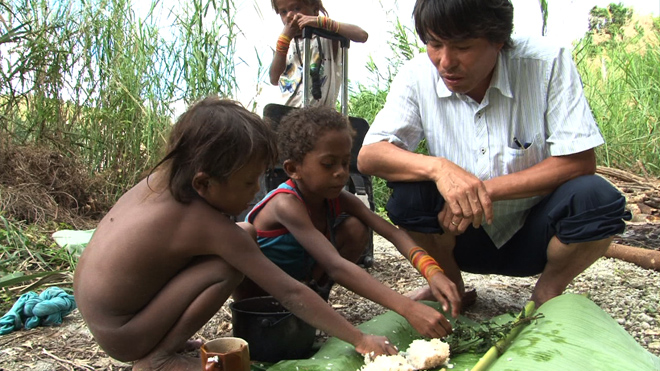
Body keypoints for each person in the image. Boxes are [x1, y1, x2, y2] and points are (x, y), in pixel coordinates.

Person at [73, 97, 400, 371]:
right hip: (125, 333)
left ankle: (164, 339)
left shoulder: (162, 181)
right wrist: (359, 338)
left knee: (243, 230)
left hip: (112, 317)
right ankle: (158, 358)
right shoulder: (201, 222)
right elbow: (290, 292)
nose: (255, 192)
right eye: (248, 183)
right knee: (231, 257)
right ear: (203, 182)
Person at [357, 0, 631, 308]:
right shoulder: (417, 75)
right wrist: (439, 168)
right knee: (408, 198)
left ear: (498, 40)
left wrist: (483, 191)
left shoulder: (547, 62)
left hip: (536, 234)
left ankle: (547, 293)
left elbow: (579, 162)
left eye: (462, 47)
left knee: (598, 201)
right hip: (460, 236)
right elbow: (370, 156)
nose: (445, 62)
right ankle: (449, 286)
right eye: (434, 44)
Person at [233, 106, 461, 339]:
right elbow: (335, 266)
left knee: (355, 228)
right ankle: (286, 313)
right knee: (243, 232)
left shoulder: (338, 198)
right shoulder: (286, 204)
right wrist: (407, 308)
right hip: (260, 294)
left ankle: (316, 301)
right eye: (328, 164)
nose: (341, 173)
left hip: (301, 282)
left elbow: (393, 234)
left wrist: (433, 272)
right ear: (293, 169)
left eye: (344, 162)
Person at [269, 0, 368, 107]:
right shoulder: (284, 44)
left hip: (320, 116)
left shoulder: (328, 38)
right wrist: (284, 41)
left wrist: (323, 23)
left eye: (297, 8)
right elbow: (274, 79)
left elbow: (362, 35)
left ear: (315, 10)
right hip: (288, 115)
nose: (289, 15)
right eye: (283, 12)